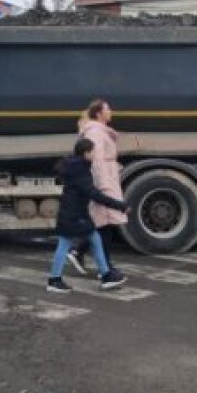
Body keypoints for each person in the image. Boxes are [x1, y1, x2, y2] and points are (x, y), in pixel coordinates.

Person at [47, 138, 129, 293]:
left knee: (92, 239)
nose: (95, 154)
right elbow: (93, 194)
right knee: (65, 245)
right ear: (86, 153)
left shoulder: (76, 165)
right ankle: (55, 280)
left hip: (73, 212)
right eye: (93, 151)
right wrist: (120, 206)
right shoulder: (80, 169)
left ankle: (105, 276)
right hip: (75, 215)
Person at [68, 99, 126, 276]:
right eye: (108, 109)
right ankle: (104, 267)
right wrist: (102, 186)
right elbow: (96, 160)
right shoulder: (95, 132)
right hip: (103, 182)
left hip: (107, 179)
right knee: (104, 225)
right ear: (99, 113)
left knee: (101, 224)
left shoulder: (99, 131)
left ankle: (80, 252)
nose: (111, 111)